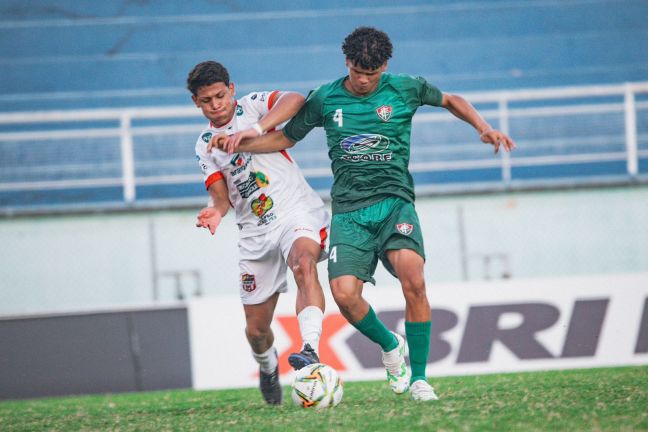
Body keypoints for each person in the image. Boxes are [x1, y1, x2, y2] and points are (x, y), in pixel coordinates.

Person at [213, 27, 516, 401]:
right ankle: (391, 347)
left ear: (385, 66)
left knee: (413, 277)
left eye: (371, 74)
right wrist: (246, 141)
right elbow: (288, 137)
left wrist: (483, 127)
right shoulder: (326, 98)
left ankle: (419, 379)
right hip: (349, 211)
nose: (363, 80)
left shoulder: (406, 88)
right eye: (357, 72)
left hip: (394, 202)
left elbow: (451, 100)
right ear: (347, 63)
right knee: (344, 293)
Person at [187, 61, 330, 405]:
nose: (216, 104)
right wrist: (214, 212)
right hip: (254, 233)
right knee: (256, 330)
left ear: (231, 89)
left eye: (220, 95)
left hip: (295, 211)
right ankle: (268, 368)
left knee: (303, 263)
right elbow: (221, 198)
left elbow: (295, 99)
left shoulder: (252, 105)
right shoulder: (205, 145)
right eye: (207, 100)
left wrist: (255, 128)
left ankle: (309, 350)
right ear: (197, 103)